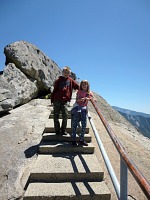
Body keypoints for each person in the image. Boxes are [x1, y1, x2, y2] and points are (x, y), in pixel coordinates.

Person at [51, 66, 79, 135]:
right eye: (65, 72)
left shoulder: (71, 80)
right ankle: (57, 131)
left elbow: (77, 87)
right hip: (57, 100)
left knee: (65, 116)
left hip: (65, 101)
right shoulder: (58, 80)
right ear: (62, 72)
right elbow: (54, 90)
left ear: (69, 73)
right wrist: (52, 100)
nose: (66, 74)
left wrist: (87, 91)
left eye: (68, 72)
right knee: (56, 116)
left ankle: (63, 130)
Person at [71, 80, 96, 146]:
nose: (84, 86)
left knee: (84, 125)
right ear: (81, 85)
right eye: (83, 84)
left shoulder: (89, 92)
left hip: (84, 110)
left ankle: (81, 139)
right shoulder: (79, 91)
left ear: (88, 85)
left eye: (85, 84)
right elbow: (77, 100)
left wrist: (90, 99)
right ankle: (73, 140)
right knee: (75, 124)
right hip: (77, 108)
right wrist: (82, 99)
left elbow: (93, 98)